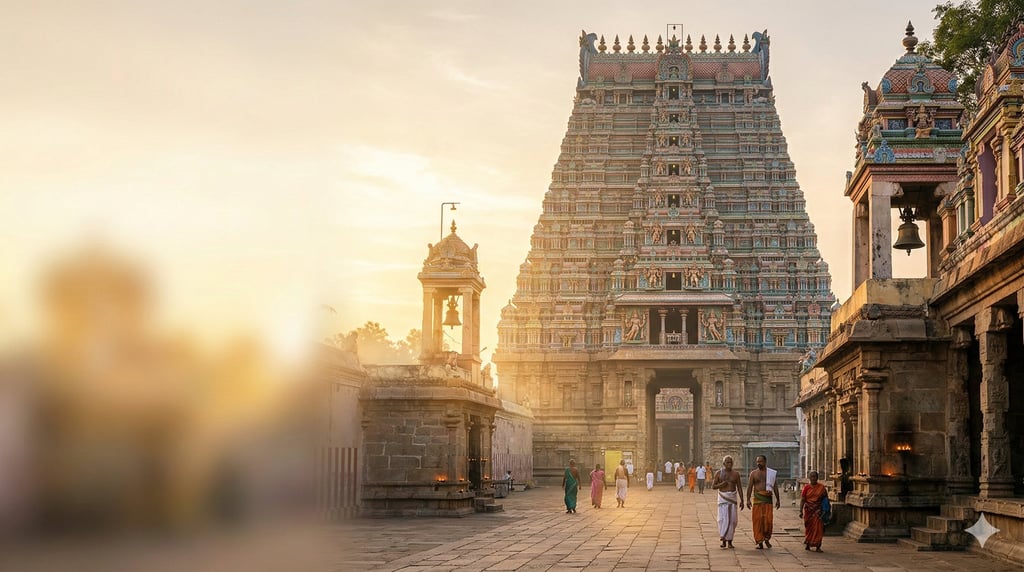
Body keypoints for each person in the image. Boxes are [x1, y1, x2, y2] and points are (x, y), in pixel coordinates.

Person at [746, 454, 781, 549]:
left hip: (767, 499)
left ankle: (767, 539)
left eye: (760, 461)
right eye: (757, 462)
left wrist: (778, 499)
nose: (758, 463)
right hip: (757, 499)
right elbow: (749, 487)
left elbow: (775, 486)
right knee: (757, 521)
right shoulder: (753, 473)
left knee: (768, 521)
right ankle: (759, 541)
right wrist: (748, 500)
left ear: (765, 462)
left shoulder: (771, 473)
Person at [711, 455, 744, 548]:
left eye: (730, 462)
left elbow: (739, 487)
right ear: (723, 463)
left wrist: (742, 500)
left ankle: (730, 541)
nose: (729, 464)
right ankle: (724, 540)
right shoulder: (719, 473)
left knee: (733, 521)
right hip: (723, 499)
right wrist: (722, 484)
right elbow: (713, 486)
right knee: (722, 520)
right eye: (727, 462)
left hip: (732, 499)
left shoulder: (736, 474)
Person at [800, 470, 828, 552]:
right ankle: (808, 543)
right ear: (809, 478)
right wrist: (800, 510)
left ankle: (818, 546)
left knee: (818, 528)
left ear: (817, 478)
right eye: (811, 476)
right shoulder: (806, 488)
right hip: (809, 510)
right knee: (808, 527)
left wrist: (826, 510)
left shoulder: (821, 488)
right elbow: (803, 499)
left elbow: (825, 499)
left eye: (815, 476)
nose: (813, 478)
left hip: (818, 511)